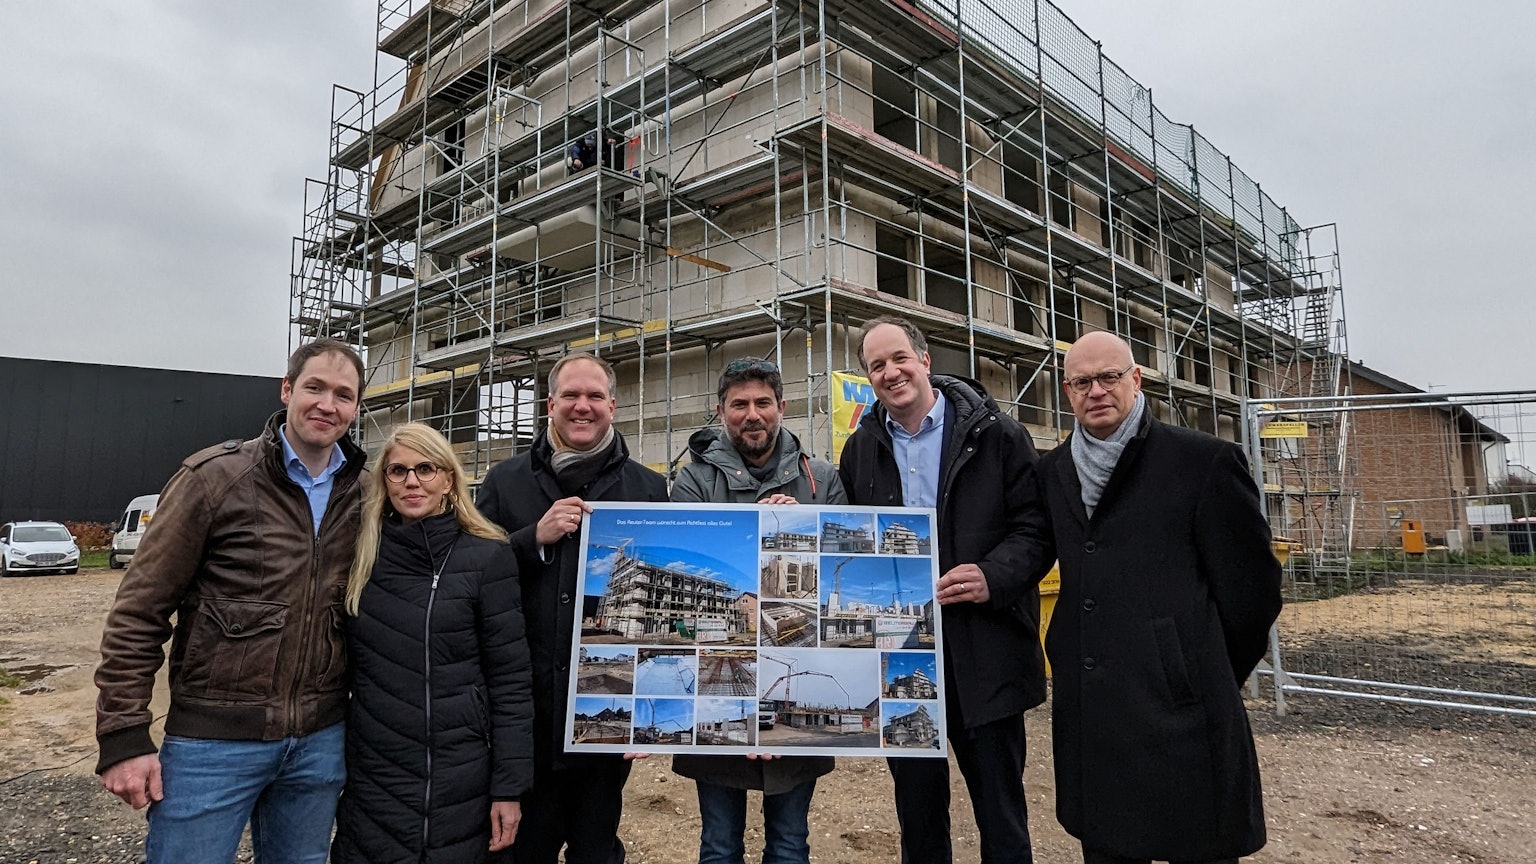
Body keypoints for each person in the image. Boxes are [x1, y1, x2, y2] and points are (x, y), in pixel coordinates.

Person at [94, 338, 368, 863]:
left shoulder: (365, 494)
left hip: (319, 743)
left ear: (356, 408)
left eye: (343, 395)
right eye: (314, 387)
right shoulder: (214, 479)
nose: (327, 405)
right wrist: (123, 734)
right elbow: (139, 611)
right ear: (287, 390)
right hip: (211, 745)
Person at [1036, 331, 1283, 864]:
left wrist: (1197, 667)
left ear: (1137, 379)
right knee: (1108, 846)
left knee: (1197, 842)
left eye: (1109, 377)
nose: (1096, 391)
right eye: (1082, 382)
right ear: (1067, 391)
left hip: (1183, 714)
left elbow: (1252, 592)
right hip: (1096, 710)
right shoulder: (1054, 471)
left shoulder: (1203, 462)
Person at [837, 316, 1052, 864]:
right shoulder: (861, 449)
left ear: (925, 360)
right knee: (919, 815)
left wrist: (992, 576)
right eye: (876, 365)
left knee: (1001, 814)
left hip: (986, 650)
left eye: (899, 358)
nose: (891, 372)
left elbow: (1035, 529)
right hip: (904, 657)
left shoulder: (997, 435)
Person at [476, 352, 668, 864]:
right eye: (570, 396)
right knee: (524, 850)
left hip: (604, 723)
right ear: (549, 404)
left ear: (613, 405)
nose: (582, 407)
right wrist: (531, 538)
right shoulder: (505, 481)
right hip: (526, 715)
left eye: (594, 397)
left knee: (596, 847)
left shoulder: (649, 490)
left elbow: (653, 620)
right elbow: (471, 576)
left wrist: (646, 713)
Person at [331, 423, 534, 863]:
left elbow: (512, 682)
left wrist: (509, 787)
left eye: (426, 468)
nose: (411, 482)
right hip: (375, 774)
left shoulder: (487, 557)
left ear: (448, 479)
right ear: (384, 481)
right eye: (397, 471)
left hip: (463, 778)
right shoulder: (362, 556)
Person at [670, 357, 845, 864]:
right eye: (739, 404)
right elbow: (703, 565)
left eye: (762, 403)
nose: (752, 414)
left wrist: (803, 526)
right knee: (719, 845)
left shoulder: (822, 480)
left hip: (795, 678)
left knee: (790, 844)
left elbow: (834, 569)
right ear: (721, 412)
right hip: (718, 693)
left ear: (782, 408)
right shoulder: (693, 480)